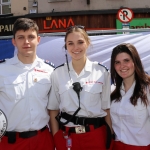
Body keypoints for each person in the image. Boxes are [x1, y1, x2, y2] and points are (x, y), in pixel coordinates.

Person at [48, 25, 113, 150]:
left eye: (80, 42)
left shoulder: (101, 72)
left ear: (88, 43)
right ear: (66, 46)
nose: (75, 47)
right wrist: (56, 136)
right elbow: (53, 109)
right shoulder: (57, 73)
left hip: (96, 135)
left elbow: (107, 109)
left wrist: (110, 135)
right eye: (70, 43)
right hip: (67, 137)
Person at [0, 18, 55, 150]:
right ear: (14, 41)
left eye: (31, 36)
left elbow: (53, 110)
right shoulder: (2, 70)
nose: (26, 42)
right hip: (10, 142)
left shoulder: (50, 71)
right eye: (21, 37)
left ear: (38, 40)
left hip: (42, 140)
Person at [110, 43, 150, 150]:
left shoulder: (147, 89)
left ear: (134, 62)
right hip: (117, 146)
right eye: (117, 62)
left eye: (126, 60)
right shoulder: (112, 91)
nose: (122, 66)